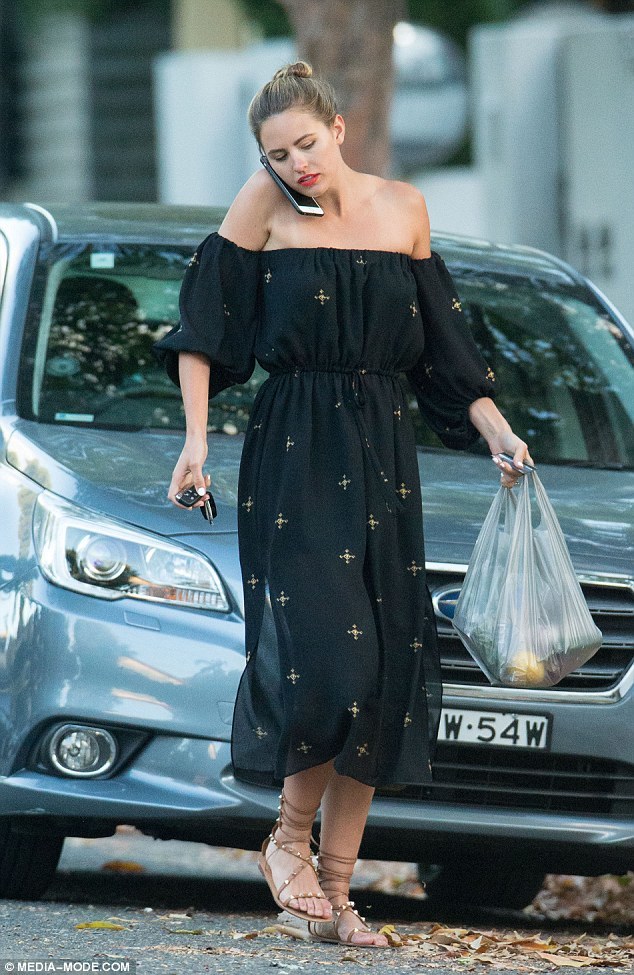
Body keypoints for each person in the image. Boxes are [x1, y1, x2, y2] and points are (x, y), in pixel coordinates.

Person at [154, 61, 534, 948]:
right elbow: (203, 328)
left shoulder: (405, 209)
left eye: (305, 145)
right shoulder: (262, 205)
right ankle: (287, 840)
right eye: (277, 154)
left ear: (339, 129)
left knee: (386, 675)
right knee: (335, 663)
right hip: (295, 449)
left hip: (384, 451)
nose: (296, 165)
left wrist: (499, 431)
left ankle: (335, 893)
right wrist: (195, 441)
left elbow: (446, 350)